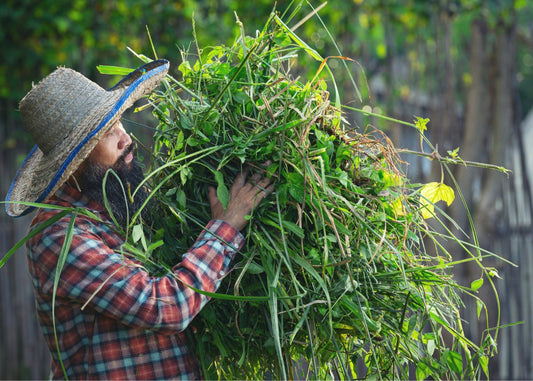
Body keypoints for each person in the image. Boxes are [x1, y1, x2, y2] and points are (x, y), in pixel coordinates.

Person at [5, 59, 273, 379]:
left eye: (120, 122)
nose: (126, 138)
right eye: (108, 133)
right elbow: (165, 306)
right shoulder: (60, 237)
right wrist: (226, 228)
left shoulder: (119, 204)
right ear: (74, 162)